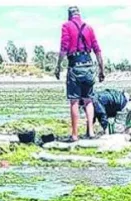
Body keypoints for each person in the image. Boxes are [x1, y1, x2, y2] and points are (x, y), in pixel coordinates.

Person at [54, 6, 104, 142]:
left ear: (69, 15)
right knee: (88, 100)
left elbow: (64, 47)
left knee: (74, 101)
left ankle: (75, 135)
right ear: (79, 15)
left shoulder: (66, 26)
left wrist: (58, 66)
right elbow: (97, 49)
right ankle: (91, 132)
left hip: (75, 66)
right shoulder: (89, 28)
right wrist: (101, 69)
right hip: (88, 65)